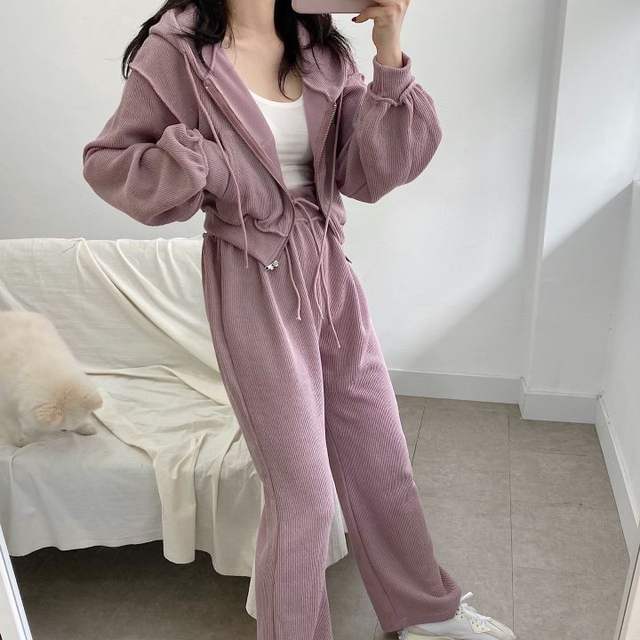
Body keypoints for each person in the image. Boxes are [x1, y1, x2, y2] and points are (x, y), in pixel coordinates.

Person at [82, 1, 516, 639]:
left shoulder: (318, 48)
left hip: (330, 270)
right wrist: (198, 161)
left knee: (381, 459)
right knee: (305, 496)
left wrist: (389, 50)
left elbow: (368, 172)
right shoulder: (177, 50)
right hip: (251, 277)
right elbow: (109, 161)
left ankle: (425, 613)